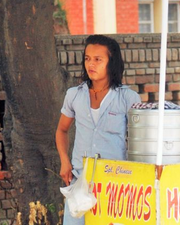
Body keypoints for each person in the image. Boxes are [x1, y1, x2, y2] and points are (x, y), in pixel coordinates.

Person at [56, 35, 141, 224]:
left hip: (115, 184)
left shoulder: (128, 98)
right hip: (80, 181)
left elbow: (140, 141)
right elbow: (62, 130)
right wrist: (65, 161)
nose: (90, 64)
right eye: (87, 58)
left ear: (112, 62)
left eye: (98, 59)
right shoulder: (74, 95)